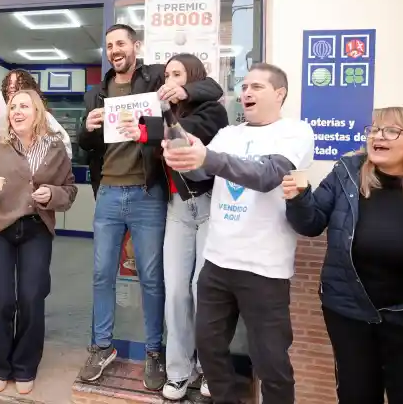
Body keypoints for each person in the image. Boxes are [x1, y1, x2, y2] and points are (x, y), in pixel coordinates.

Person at [76, 24, 224, 390]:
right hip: (108, 192)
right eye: (109, 45)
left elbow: (211, 88)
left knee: (153, 279)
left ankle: (155, 351)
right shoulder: (97, 93)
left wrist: (184, 89)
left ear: (135, 46)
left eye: (121, 43)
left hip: (148, 193)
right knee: (101, 275)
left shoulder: (155, 76)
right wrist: (86, 128)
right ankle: (101, 347)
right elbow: (87, 146)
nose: (115, 50)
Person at [162, 63, 314, 404]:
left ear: (280, 93)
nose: (247, 92)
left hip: (265, 269)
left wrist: (208, 157)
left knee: (271, 362)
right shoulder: (229, 134)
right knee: (209, 349)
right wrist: (183, 155)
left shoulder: (295, 131)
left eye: (257, 87)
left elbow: (267, 175)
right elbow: (202, 173)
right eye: (244, 87)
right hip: (217, 263)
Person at [282, 106, 403, 404]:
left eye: (391, 130)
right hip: (349, 310)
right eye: (374, 129)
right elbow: (310, 224)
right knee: (356, 393)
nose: (378, 136)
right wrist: (299, 198)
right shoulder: (347, 172)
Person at [123, 53, 228, 400]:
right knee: (177, 292)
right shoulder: (161, 112)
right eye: (166, 75)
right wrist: (136, 126)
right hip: (177, 210)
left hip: (210, 207)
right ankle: (180, 371)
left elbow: (184, 136)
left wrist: (144, 130)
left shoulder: (212, 110)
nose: (169, 81)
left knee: (204, 290)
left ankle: (210, 367)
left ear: (192, 79)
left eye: (177, 74)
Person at [0, 89, 77, 395]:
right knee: (0, 299)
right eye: (13, 107)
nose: (17, 111)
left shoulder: (55, 146)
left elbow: (69, 190)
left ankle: (25, 366)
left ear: (37, 112)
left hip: (36, 228)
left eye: (24, 106)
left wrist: (52, 194)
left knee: (31, 298)